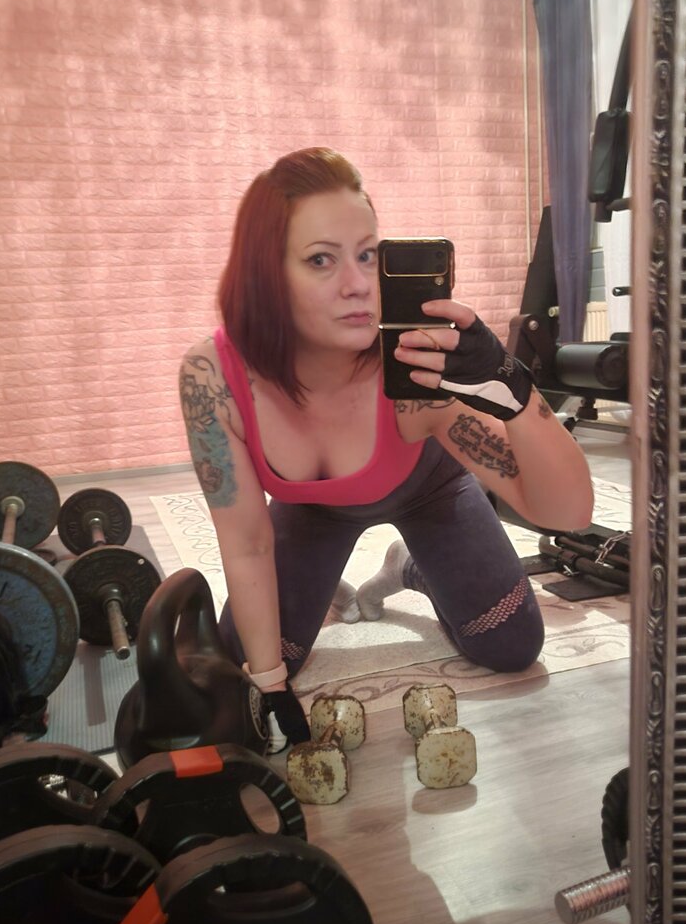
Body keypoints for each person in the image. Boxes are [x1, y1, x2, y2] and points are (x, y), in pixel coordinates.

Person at [179, 147, 594, 748]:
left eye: (368, 254)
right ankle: (323, 578)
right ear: (266, 273)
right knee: (251, 658)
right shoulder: (213, 377)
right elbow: (245, 543)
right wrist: (270, 686)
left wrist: (514, 390)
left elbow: (568, 513)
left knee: (511, 644)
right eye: (321, 259)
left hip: (429, 492)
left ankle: (408, 567)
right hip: (312, 510)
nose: (358, 286)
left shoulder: (412, 371)